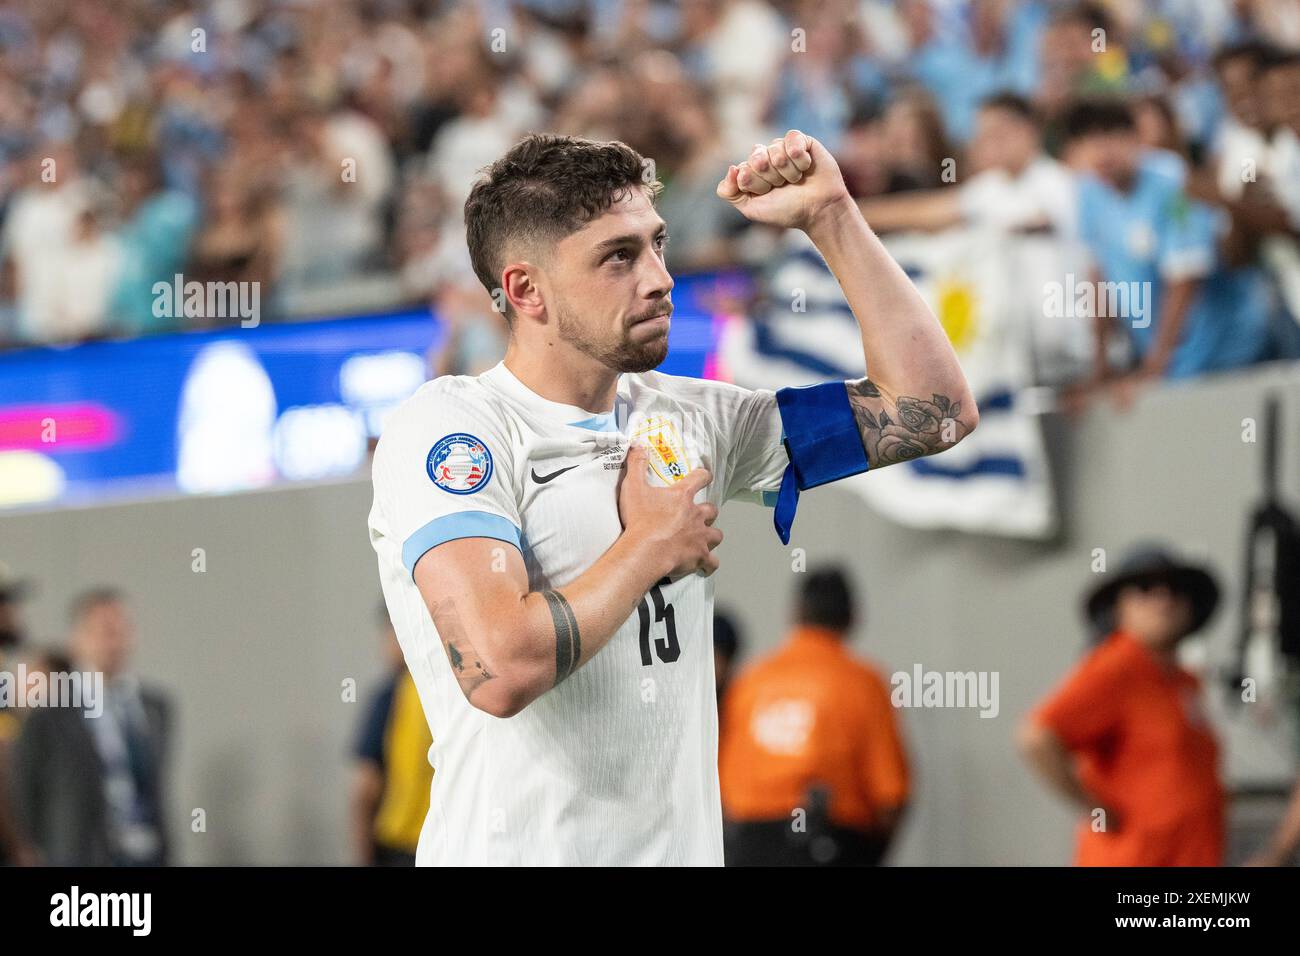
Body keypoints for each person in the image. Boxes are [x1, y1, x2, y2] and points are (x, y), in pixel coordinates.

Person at [367, 129, 978, 865]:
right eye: (618, 257)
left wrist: (833, 218)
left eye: (656, 245)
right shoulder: (455, 427)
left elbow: (935, 409)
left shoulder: (687, 419)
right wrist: (649, 545)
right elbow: (498, 670)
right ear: (526, 291)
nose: (660, 277)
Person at [1018, 545, 1225, 866]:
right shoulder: (1116, 667)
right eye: (1144, 589)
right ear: (1118, 608)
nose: (1163, 599)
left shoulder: (1184, 681)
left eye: (1175, 589)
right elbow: (1036, 737)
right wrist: (1096, 809)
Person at [719, 567, 910, 866]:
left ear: (795, 613)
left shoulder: (750, 681)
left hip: (747, 845)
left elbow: (719, 783)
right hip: (825, 844)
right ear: (853, 617)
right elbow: (891, 796)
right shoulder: (863, 682)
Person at [12, 589, 172, 866]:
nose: (114, 641)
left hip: (145, 854)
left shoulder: (154, 707)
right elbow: (24, 791)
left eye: (122, 629)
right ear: (77, 638)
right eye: (104, 631)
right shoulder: (49, 712)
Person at [350, 605, 432, 867]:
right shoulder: (451, 694)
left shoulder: (392, 697)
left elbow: (365, 791)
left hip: (403, 846)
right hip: (426, 843)